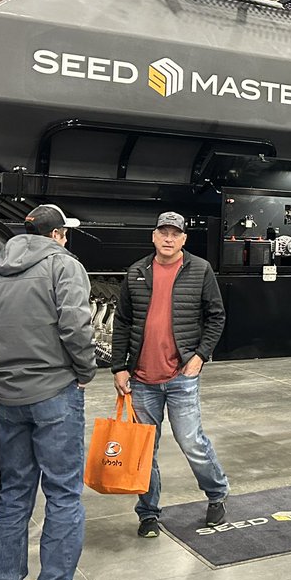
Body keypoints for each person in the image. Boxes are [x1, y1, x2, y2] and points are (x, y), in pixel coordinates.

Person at [0, 203, 96, 580]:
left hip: (11, 400)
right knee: (62, 493)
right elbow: (76, 327)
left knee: (15, 492)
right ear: (58, 234)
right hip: (56, 395)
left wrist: (5, 376)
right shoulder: (64, 266)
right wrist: (84, 371)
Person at [111, 211, 230, 538]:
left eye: (174, 233)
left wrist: (200, 356)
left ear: (183, 239)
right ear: (153, 236)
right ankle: (148, 513)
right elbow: (122, 321)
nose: (168, 238)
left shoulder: (200, 270)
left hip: (181, 376)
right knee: (144, 450)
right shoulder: (137, 272)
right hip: (142, 379)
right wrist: (119, 367)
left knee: (190, 441)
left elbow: (216, 316)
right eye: (163, 232)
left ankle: (217, 492)